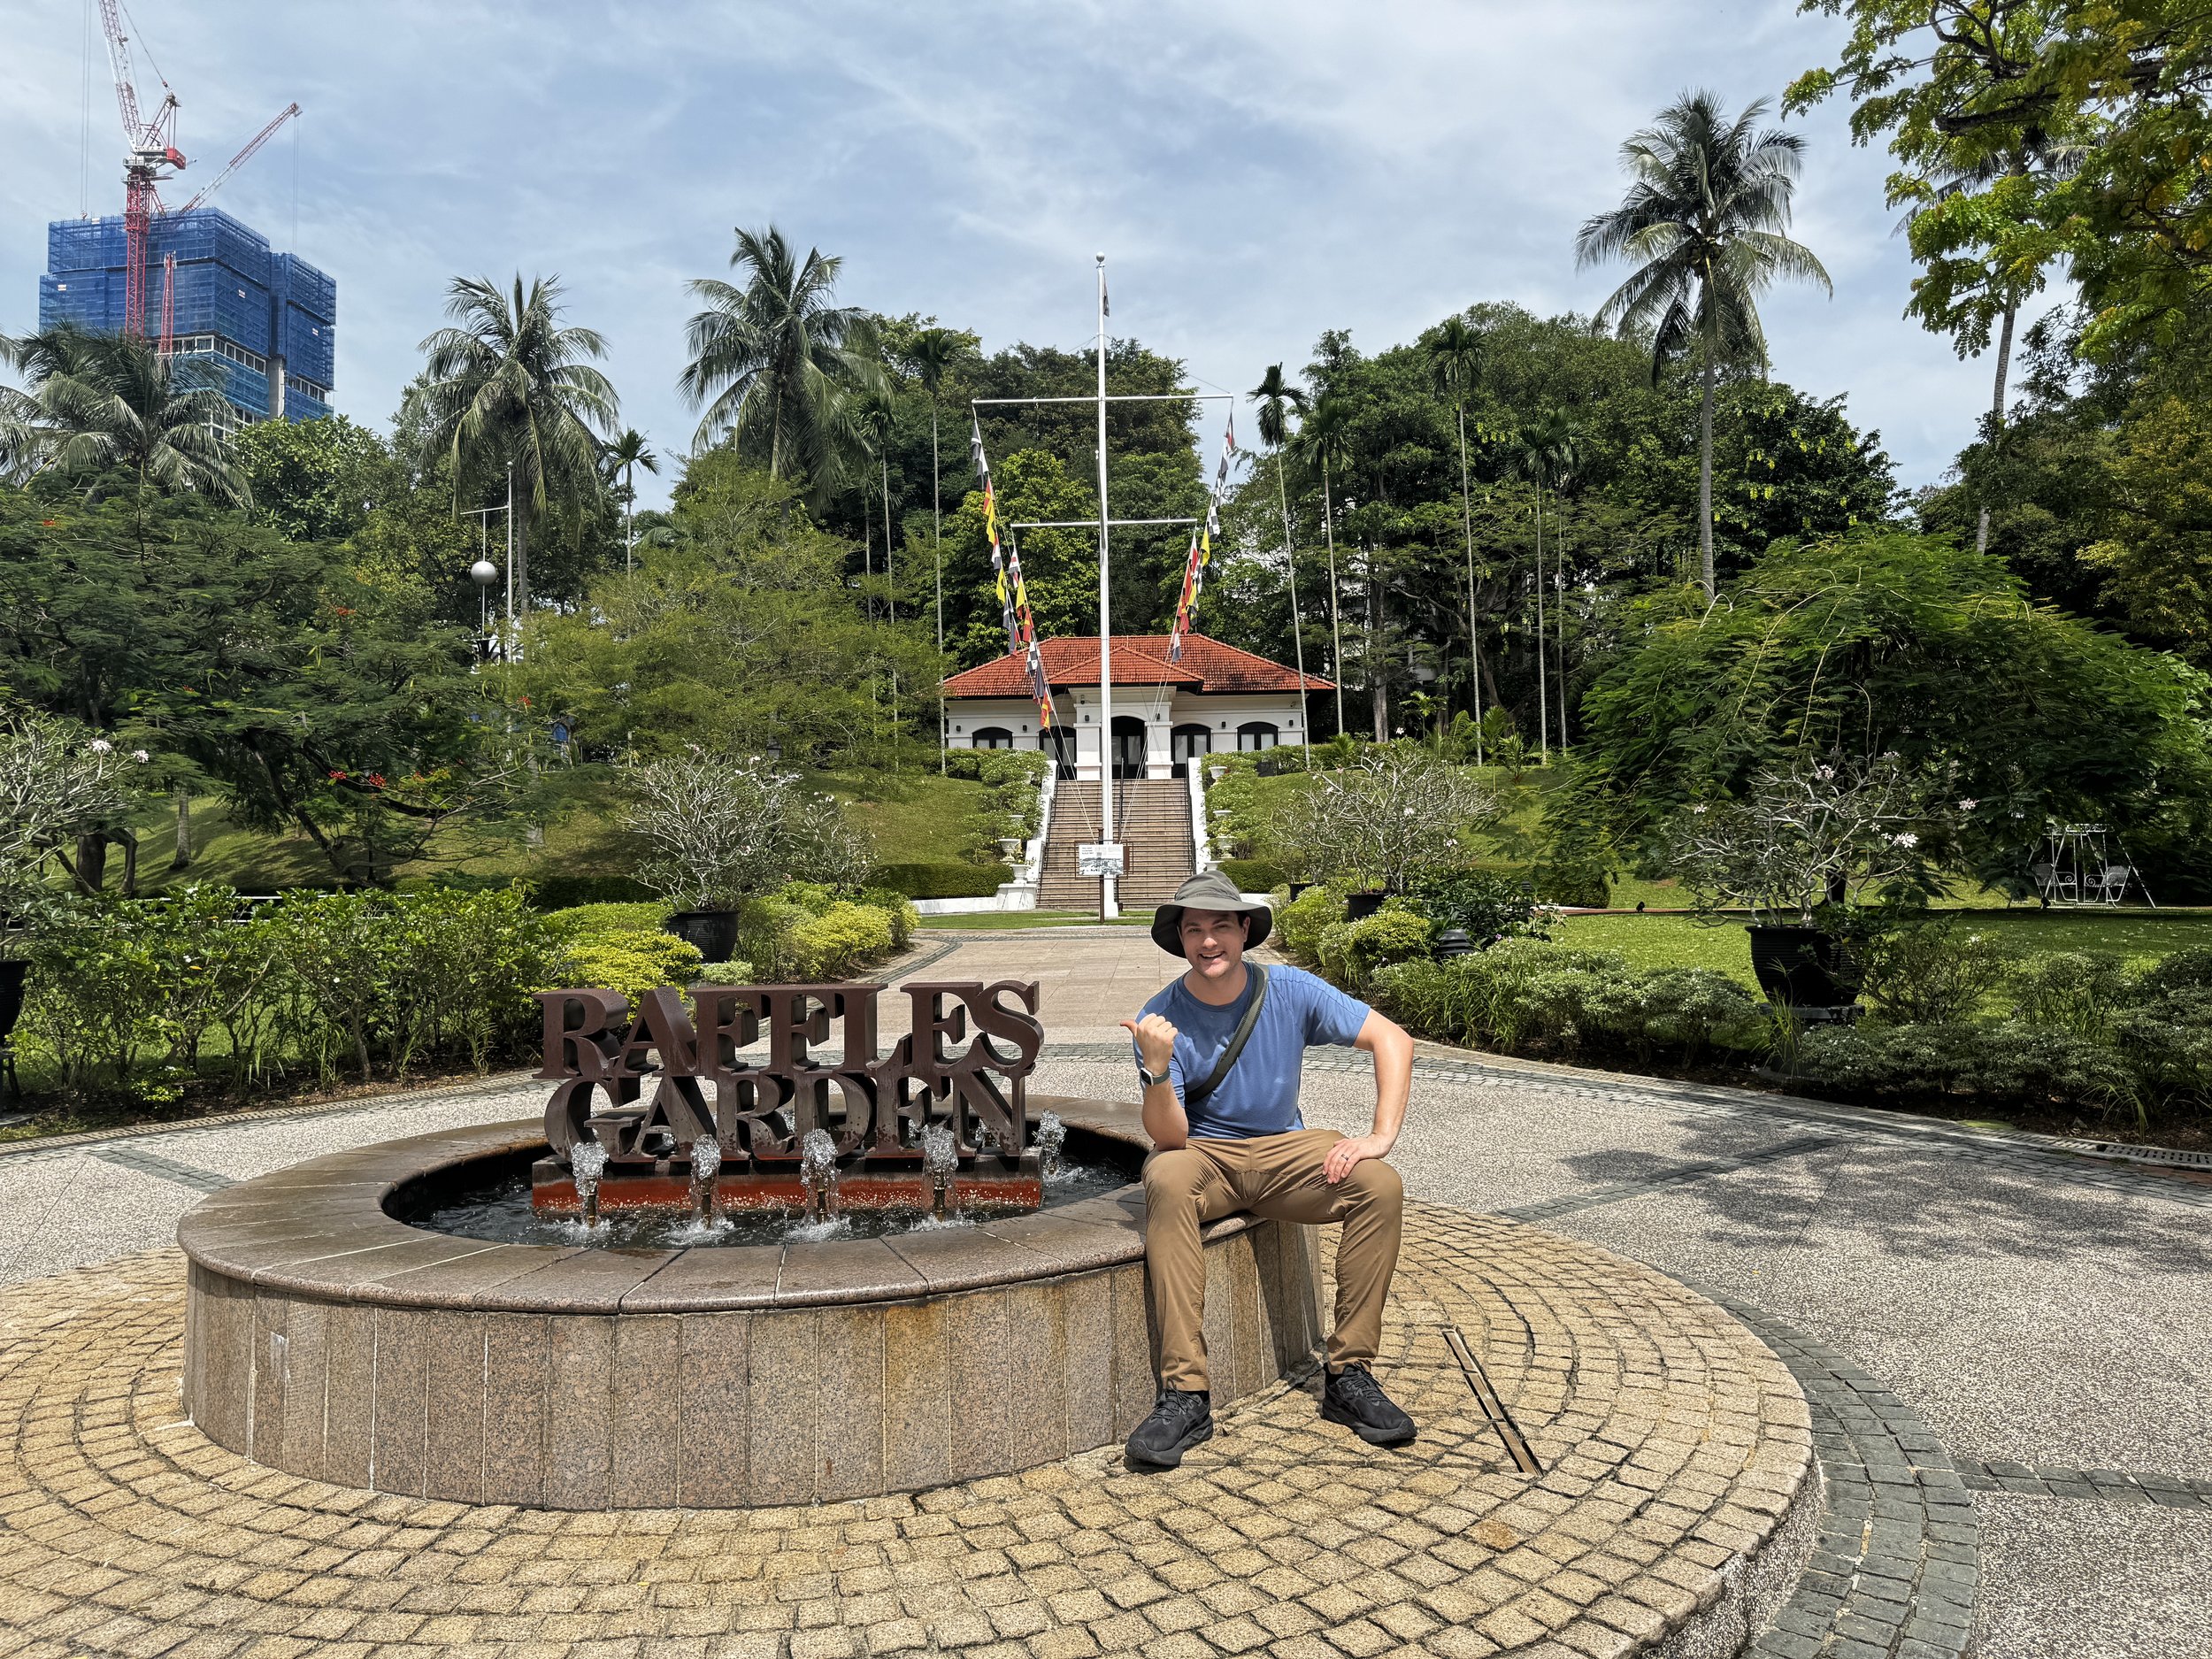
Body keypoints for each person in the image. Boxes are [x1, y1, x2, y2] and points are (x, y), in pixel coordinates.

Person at [1118, 870, 1417, 1471]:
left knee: (1379, 1186)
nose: (1208, 941)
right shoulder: (1159, 1017)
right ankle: (1186, 1393)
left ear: (1244, 930)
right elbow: (1170, 1135)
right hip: (1206, 1154)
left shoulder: (1289, 989)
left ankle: (1349, 1374)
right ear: (1179, 938)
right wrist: (1156, 1068)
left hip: (1285, 1151)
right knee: (1167, 1178)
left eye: (1220, 926)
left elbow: (1393, 1038)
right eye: (1194, 929)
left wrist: (1379, 1136)